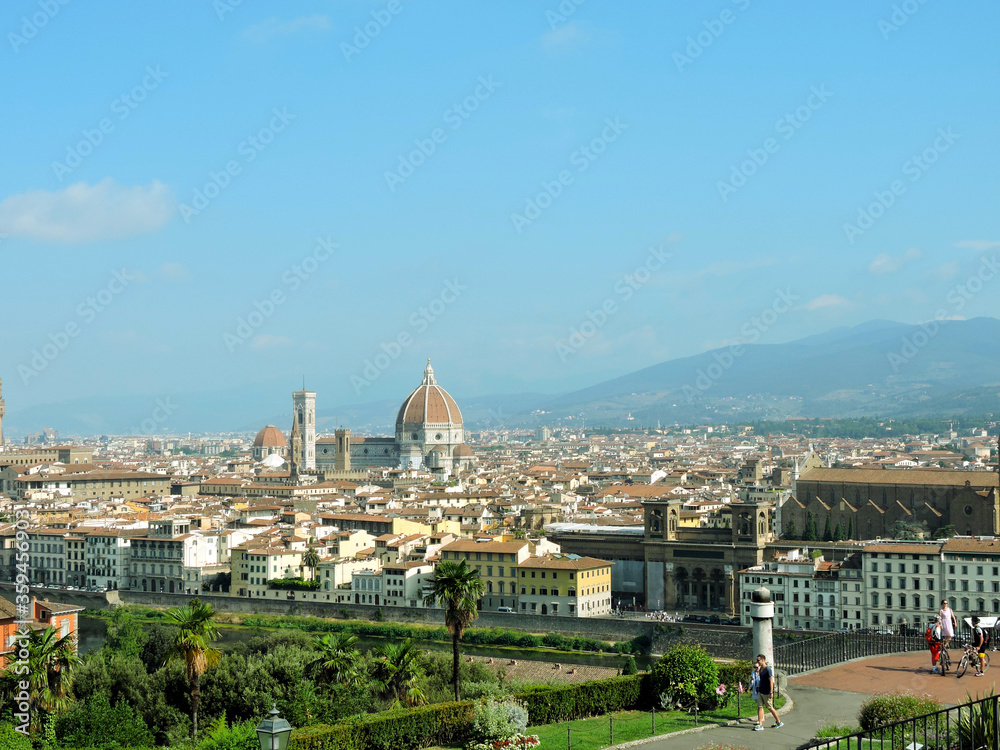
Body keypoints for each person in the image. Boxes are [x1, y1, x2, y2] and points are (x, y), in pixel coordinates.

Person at [753, 654, 783, 731]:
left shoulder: (768, 670)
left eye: (758, 660)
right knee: (759, 706)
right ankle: (760, 724)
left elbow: (771, 681)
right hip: (761, 691)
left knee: (769, 707)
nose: (757, 662)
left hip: (767, 692)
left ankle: (779, 721)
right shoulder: (760, 669)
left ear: (762, 660)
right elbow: (761, 680)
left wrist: (771, 692)